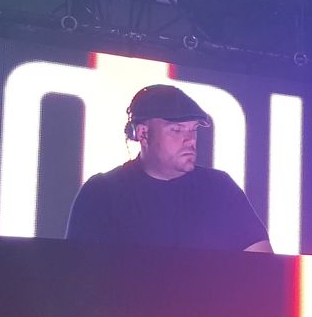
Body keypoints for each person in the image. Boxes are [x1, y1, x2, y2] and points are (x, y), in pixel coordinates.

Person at [65, 84, 273, 252]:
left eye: (193, 130)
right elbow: (79, 272)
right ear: (143, 134)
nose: (190, 140)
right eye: (177, 130)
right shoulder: (103, 192)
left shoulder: (219, 187)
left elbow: (261, 264)